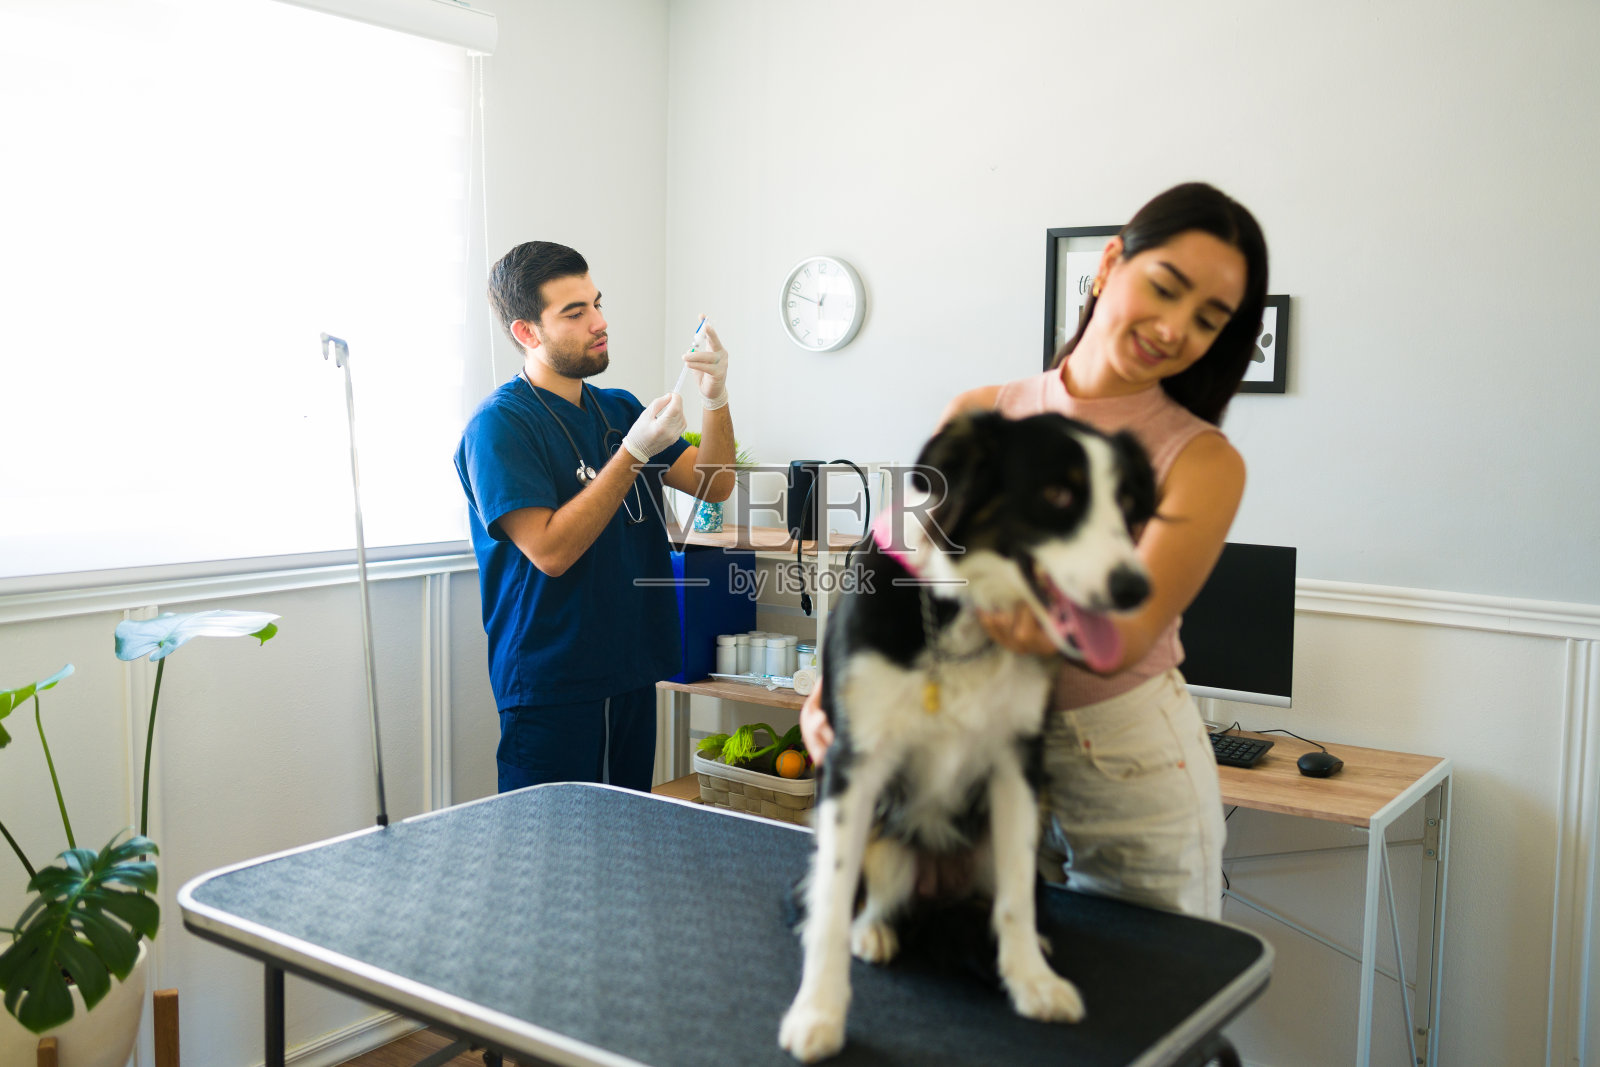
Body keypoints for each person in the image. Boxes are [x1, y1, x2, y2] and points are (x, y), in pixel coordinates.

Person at [801, 182, 1268, 920]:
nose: (1176, 327)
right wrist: (828, 691)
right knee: (989, 998)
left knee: (1144, 1001)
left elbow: (1120, 635)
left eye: (1207, 319)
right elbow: (886, 564)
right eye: (1166, 287)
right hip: (974, 753)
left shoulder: (1201, 459)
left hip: (1121, 759)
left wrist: (989, 600)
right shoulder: (985, 412)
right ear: (1112, 262)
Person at [456, 241, 738, 794]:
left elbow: (715, 483)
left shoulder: (619, 410)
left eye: (597, 303)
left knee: (624, 846)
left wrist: (717, 396)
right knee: (551, 859)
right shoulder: (500, 427)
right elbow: (551, 552)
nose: (600, 323)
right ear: (527, 332)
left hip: (630, 670)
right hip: (552, 685)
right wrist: (631, 455)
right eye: (575, 312)